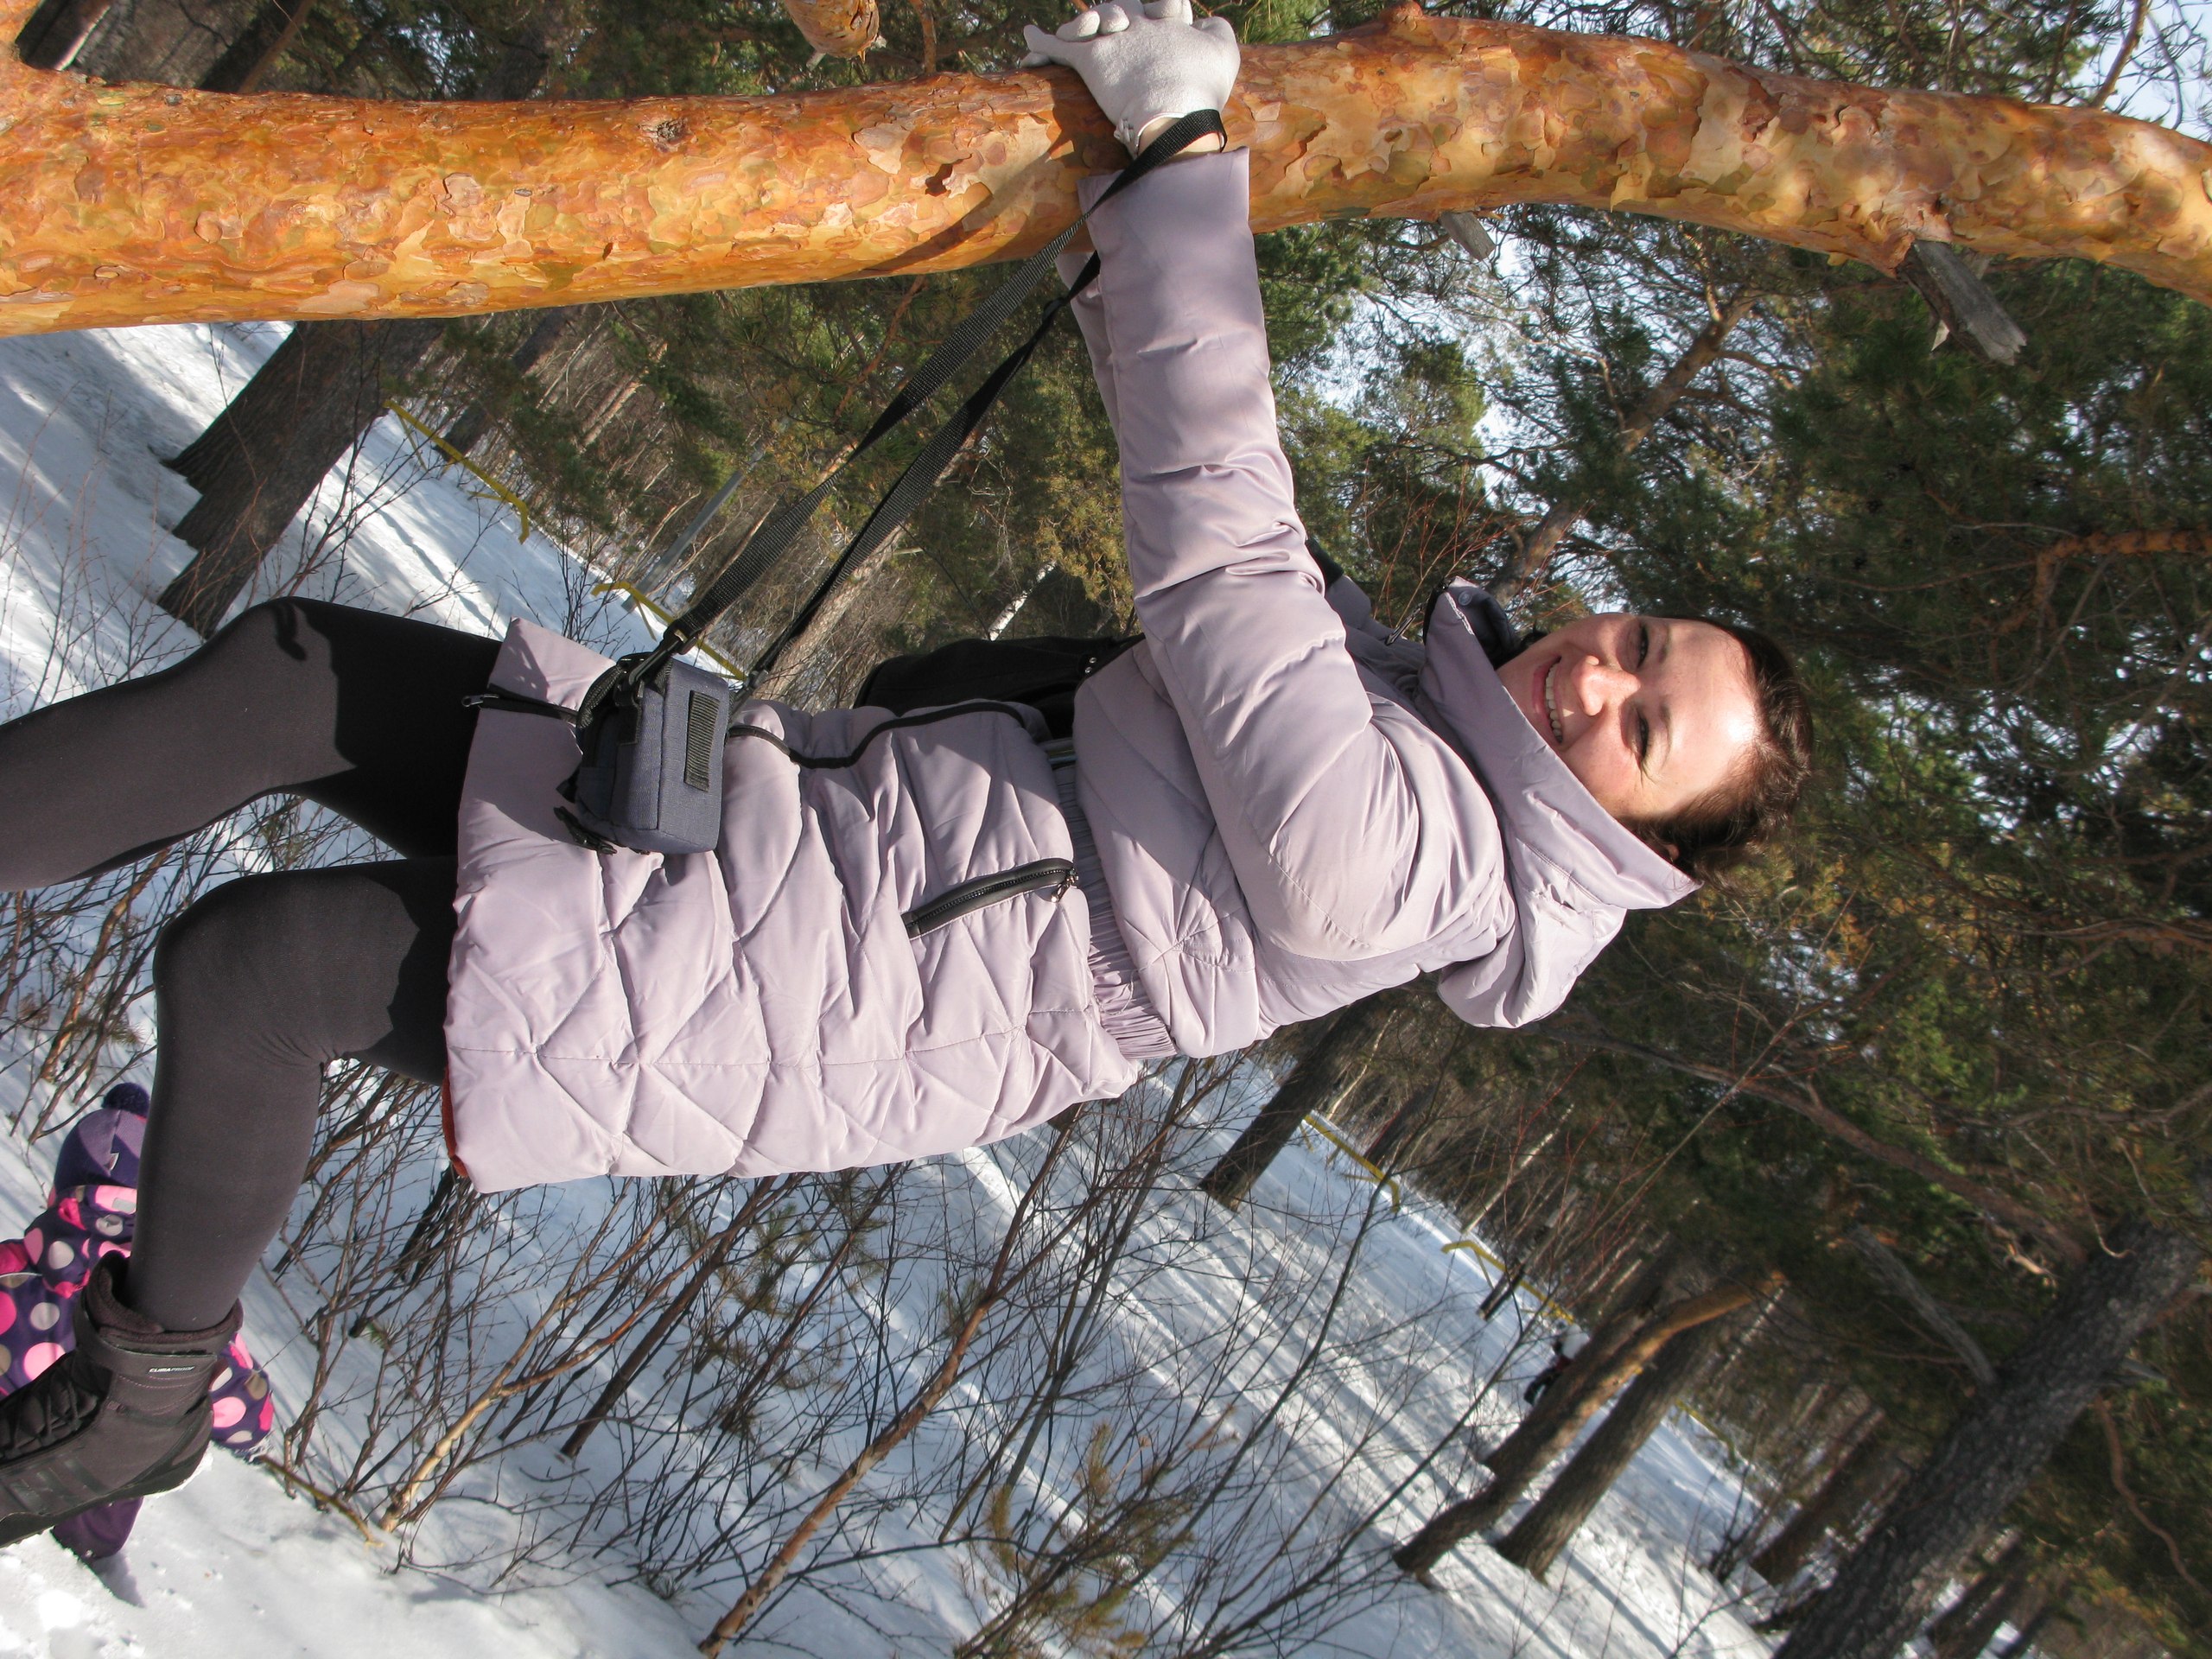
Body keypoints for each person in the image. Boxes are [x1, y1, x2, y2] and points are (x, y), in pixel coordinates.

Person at [0, 1, 1810, 1544]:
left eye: (1644, 730)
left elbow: (1221, 552)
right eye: (1642, 640)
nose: (1600, 675)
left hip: (832, 984)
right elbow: (1190, 477)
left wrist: (1188, 160)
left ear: (1628, 831)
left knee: (261, 967)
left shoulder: (1430, 869)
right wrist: (1112, 171)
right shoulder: (1409, 694)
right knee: (294, 672)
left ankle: (140, 1400)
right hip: (797, 825)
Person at [0, 1084, 274, 1558]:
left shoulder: (11, 1271)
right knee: (123, 1449)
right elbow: (248, 1415)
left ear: (55, 1195)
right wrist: (251, 1427)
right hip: (92, 1509)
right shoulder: (178, 1314)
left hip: (10, 1473)